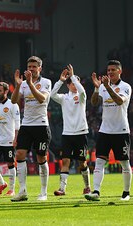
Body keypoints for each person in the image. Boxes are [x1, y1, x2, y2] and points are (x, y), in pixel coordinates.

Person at [85, 60, 132, 201]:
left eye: (113, 70)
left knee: (124, 163)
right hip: (105, 130)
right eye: (108, 70)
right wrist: (96, 88)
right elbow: (94, 102)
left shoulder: (126, 87)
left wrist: (107, 87)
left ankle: (126, 193)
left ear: (120, 71)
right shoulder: (103, 87)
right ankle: (96, 192)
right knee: (99, 161)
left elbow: (119, 101)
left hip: (121, 130)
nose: (110, 72)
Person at [10, 56, 52, 201]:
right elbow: (14, 101)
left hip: (41, 125)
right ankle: (22, 191)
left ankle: (43, 192)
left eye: (34, 67)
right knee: (20, 154)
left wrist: (29, 84)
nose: (31, 69)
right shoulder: (23, 84)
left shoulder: (46, 82)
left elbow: (42, 99)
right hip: (26, 125)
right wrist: (17, 85)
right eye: (29, 67)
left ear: (40, 68)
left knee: (41, 157)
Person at [50, 64, 91, 196]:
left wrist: (73, 76)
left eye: (76, 82)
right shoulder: (64, 98)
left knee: (82, 162)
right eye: (71, 83)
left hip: (81, 133)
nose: (74, 84)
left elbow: (83, 91)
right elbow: (52, 94)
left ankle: (87, 186)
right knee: (66, 161)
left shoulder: (81, 97)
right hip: (67, 134)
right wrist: (60, 80)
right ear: (68, 85)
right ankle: (62, 189)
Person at [0, 82, 20, 196]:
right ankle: (2, 183)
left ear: (6, 91)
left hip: (9, 140)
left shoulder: (13, 104)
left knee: (10, 163)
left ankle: (11, 189)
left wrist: (16, 138)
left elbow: (17, 123)